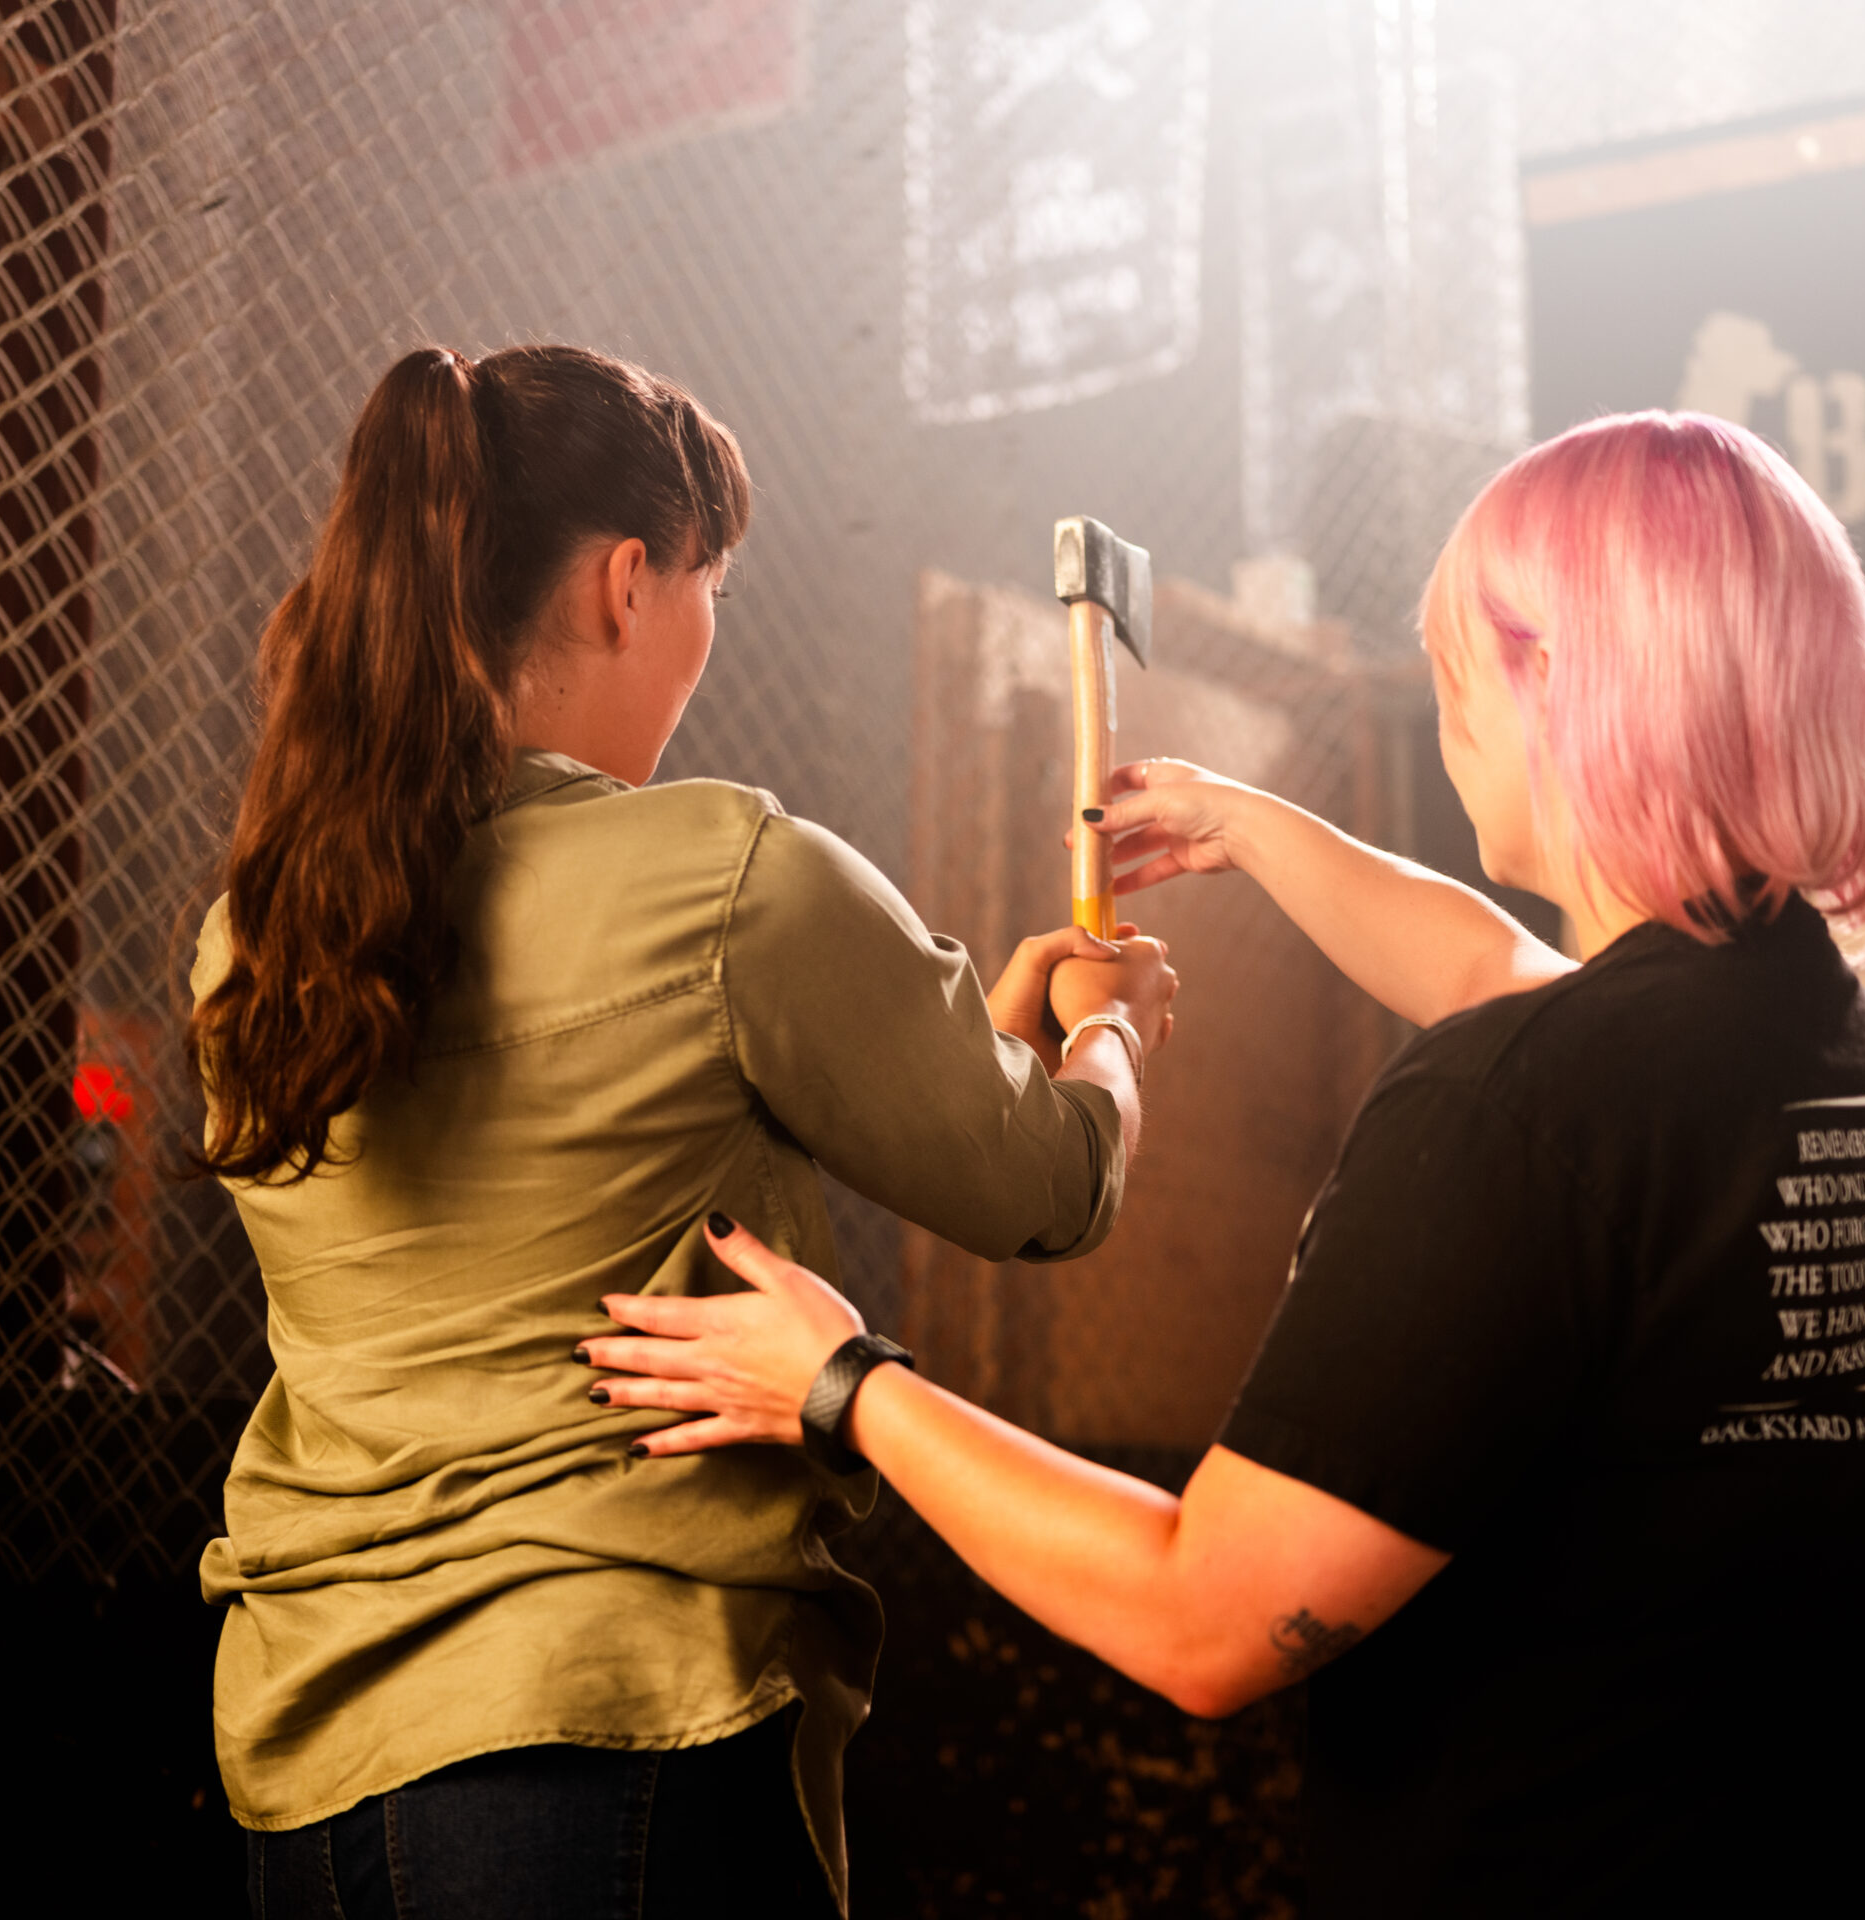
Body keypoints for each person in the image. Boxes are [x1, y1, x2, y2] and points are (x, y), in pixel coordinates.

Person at [589, 412, 1865, 1916]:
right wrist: (1241, 825)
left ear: (1554, 684)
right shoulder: (1824, 1041)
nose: (1450, 721)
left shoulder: (1506, 1112)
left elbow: (1204, 1618)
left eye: (1460, 676)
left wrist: (841, 1385)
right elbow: (1499, 969)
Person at [186, 342, 1178, 1919]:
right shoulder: (724, 873)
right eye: (709, 582)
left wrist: (971, 1040)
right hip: (619, 1743)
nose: (708, 629)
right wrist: (1107, 1032)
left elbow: (589, 1138)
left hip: (308, 1778)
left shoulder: (262, 932)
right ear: (627, 583)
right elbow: (1044, 1182)